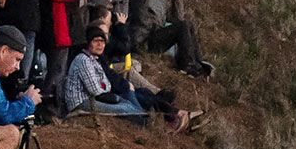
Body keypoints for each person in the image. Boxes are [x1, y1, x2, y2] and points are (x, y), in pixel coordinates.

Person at [61, 29, 196, 129]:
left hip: (97, 97)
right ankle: (155, 126)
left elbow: (105, 84)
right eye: (95, 41)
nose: (100, 45)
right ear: (88, 44)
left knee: (132, 101)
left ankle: (161, 121)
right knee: (126, 107)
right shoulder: (83, 60)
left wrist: (110, 92)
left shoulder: (95, 60)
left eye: (102, 41)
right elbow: (95, 89)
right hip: (82, 102)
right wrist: (110, 94)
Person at [131, 0, 213, 76]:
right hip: (144, 41)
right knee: (183, 25)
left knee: (187, 24)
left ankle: (197, 61)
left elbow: (178, 19)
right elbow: (141, 19)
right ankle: (187, 65)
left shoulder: (162, 2)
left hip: (156, 37)